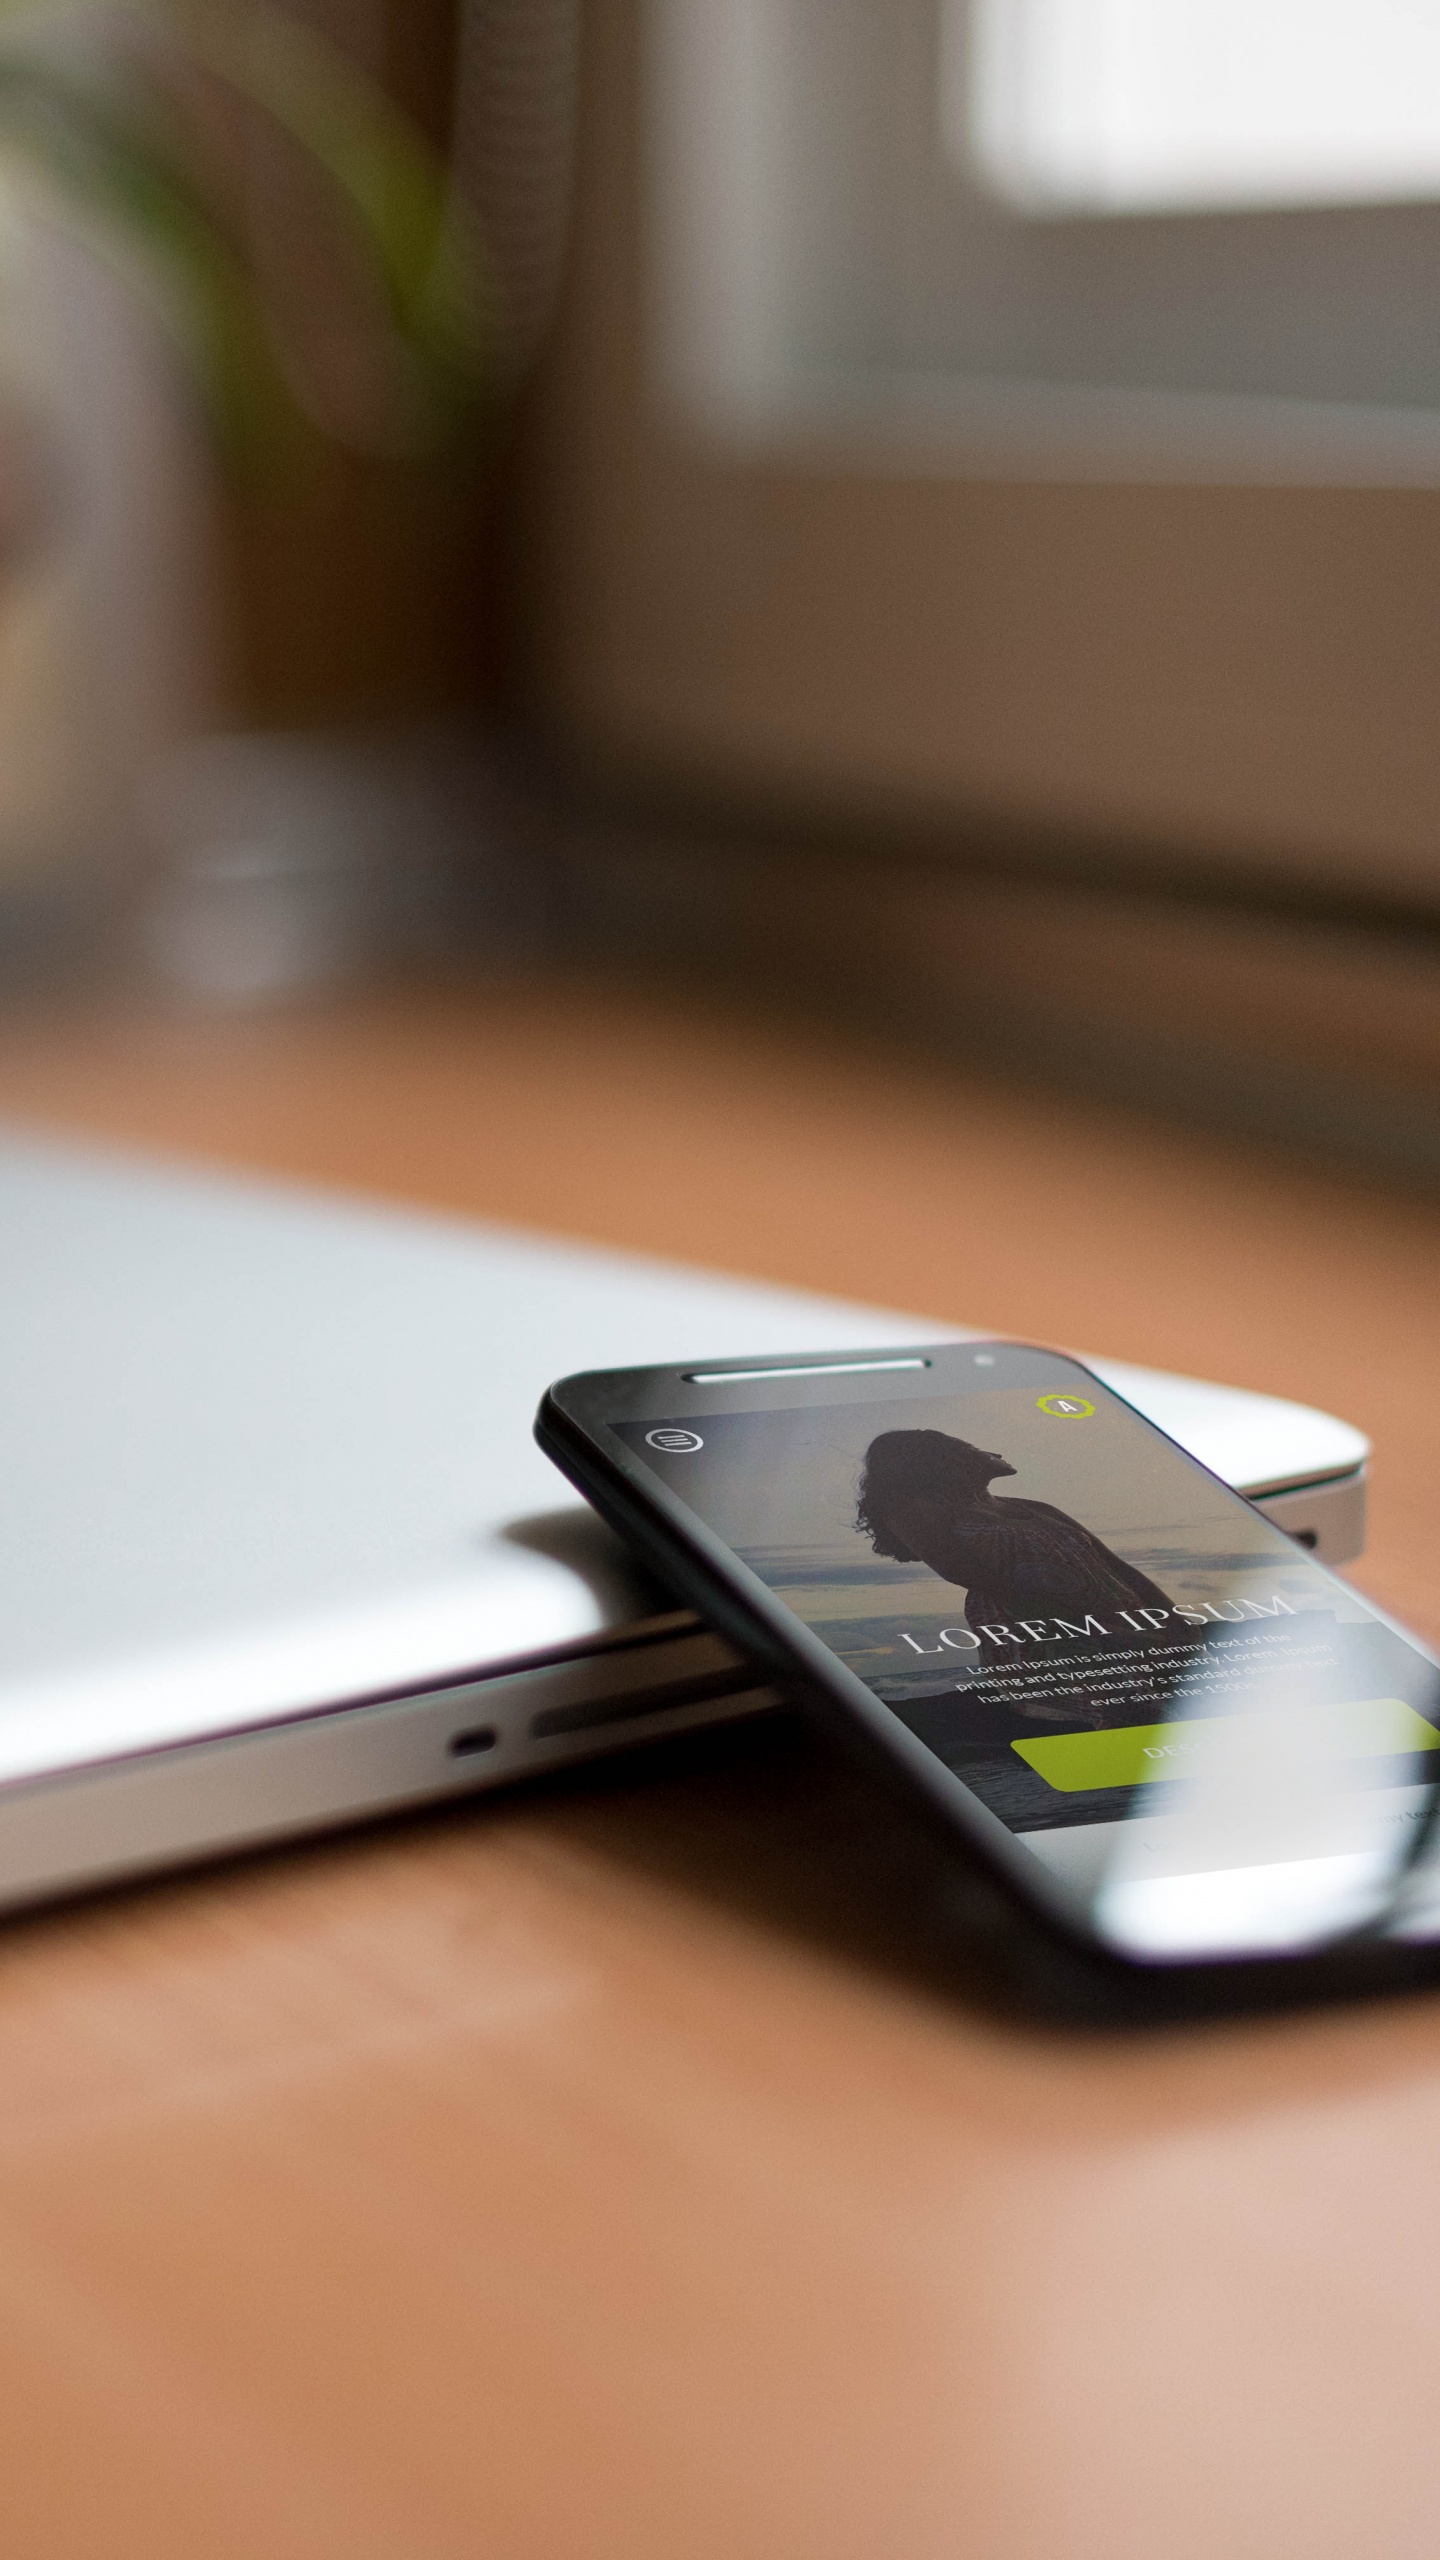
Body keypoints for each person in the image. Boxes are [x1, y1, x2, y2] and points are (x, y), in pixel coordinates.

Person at [855, 1428, 1174, 1638]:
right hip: (1049, 1632)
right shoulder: (913, 1512)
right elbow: (972, 1576)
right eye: (975, 1449)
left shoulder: (1037, 1508)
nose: (994, 1452)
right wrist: (1084, 1625)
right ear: (942, 1461)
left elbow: (1113, 1565)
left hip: (1128, 1620)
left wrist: (1172, 1619)